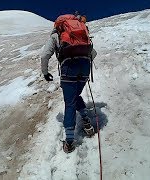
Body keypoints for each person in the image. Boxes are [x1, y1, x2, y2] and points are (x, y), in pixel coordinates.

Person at [41, 14, 97, 153]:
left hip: (69, 68)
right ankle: (86, 121)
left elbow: (44, 55)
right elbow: (93, 53)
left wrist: (45, 72)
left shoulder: (56, 35)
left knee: (70, 102)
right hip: (84, 67)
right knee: (76, 95)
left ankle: (70, 141)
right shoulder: (81, 33)